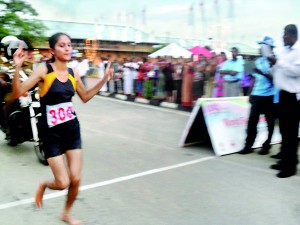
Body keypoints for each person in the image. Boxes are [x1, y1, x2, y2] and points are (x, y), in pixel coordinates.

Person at [12, 32, 112, 224]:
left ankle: (66, 213)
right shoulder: (44, 71)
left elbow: (85, 97)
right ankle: (44, 185)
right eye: (62, 45)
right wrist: (17, 68)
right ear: (52, 50)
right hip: (51, 133)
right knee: (63, 183)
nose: (67, 48)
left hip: (72, 130)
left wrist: (104, 79)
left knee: (75, 178)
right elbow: (17, 93)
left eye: (69, 45)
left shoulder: (74, 73)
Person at [268, 24, 300, 178]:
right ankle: (284, 161)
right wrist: (273, 66)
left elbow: (296, 71)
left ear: (292, 35)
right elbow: (279, 70)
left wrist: (279, 62)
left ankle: (291, 166)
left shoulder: (298, 51)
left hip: (292, 97)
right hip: (281, 95)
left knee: (291, 133)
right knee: (283, 131)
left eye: (284, 34)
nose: (282, 37)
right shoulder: (284, 51)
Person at [239, 36, 276, 155]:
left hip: (269, 96)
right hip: (256, 95)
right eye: (260, 46)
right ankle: (248, 145)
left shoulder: (273, 61)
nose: (261, 48)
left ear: (269, 48)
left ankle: (267, 145)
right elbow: (254, 78)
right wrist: (250, 93)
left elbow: (276, 79)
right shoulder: (258, 60)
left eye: (263, 46)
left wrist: (263, 73)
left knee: (270, 122)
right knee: (252, 122)